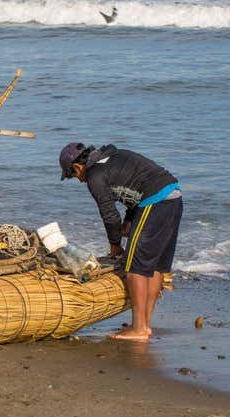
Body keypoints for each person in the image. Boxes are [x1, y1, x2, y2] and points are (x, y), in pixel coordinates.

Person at [59, 142, 182, 343]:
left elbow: (109, 215)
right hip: (173, 197)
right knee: (154, 266)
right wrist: (129, 221)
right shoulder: (115, 158)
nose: (79, 180)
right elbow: (136, 188)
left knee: (134, 267)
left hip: (155, 202)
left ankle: (139, 329)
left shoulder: (94, 176)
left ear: (78, 167)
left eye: (73, 175)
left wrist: (115, 245)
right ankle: (145, 324)